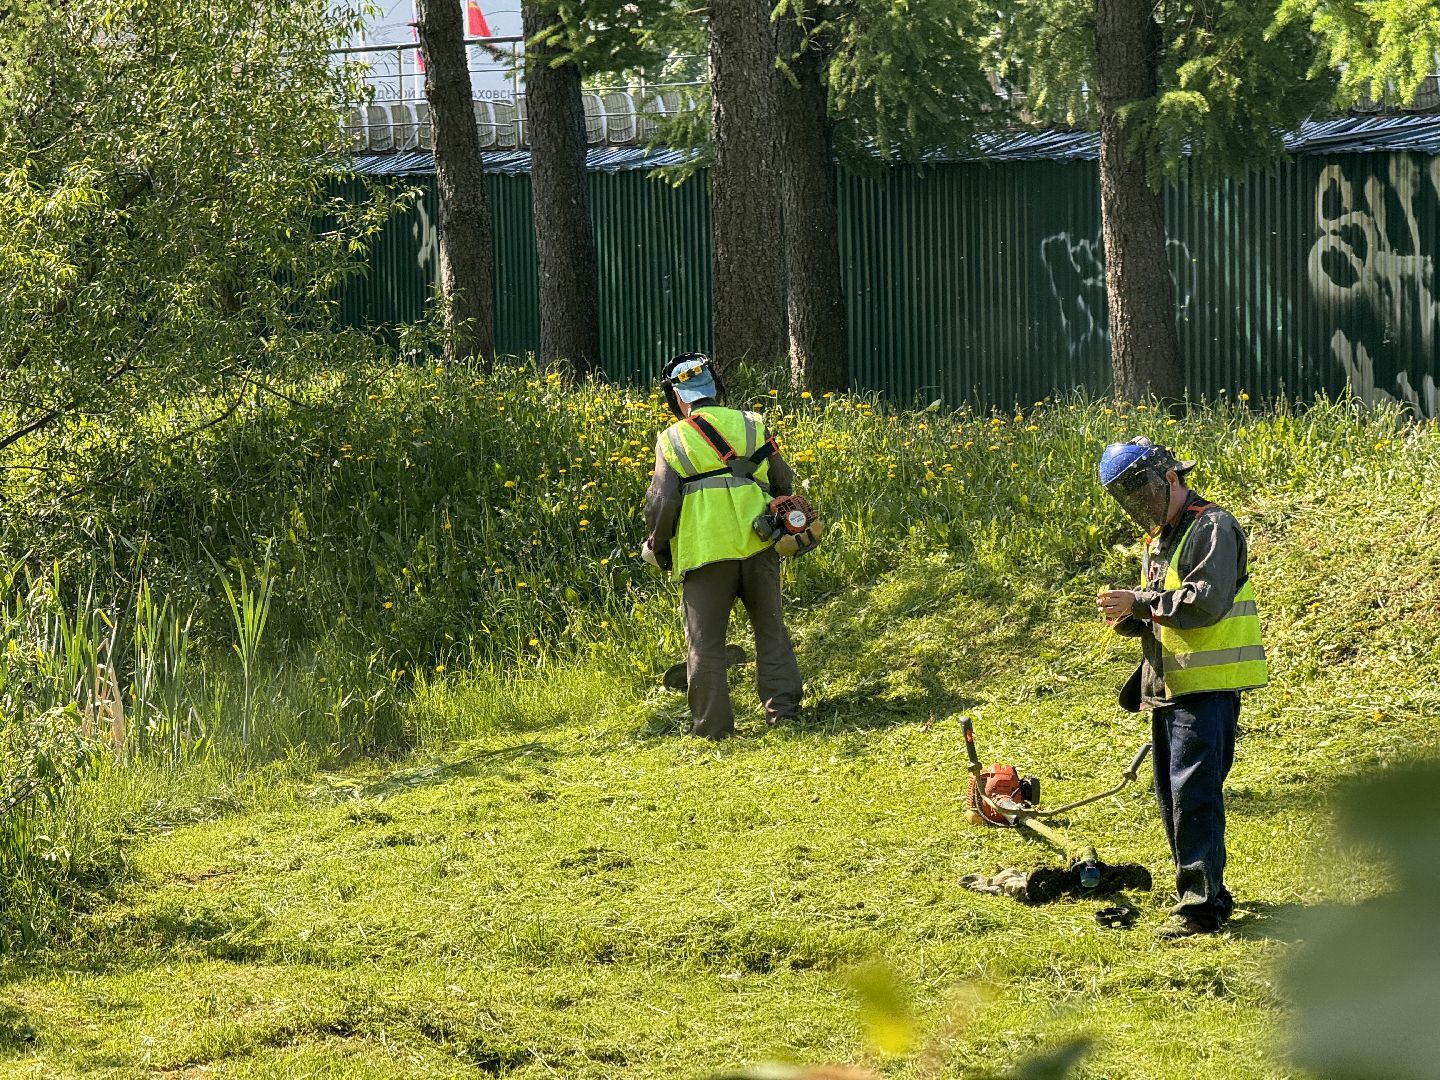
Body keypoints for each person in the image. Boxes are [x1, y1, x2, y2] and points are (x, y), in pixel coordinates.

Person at [1095, 437, 1268, 939]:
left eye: (1141, 490)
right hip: (1168, 686)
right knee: (1172, 798)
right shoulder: (1160, 536)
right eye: (1126, 497)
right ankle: (1202, 893)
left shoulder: (1213, 526)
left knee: (1194, 796)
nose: (1138, 505)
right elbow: (1160, 607)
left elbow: (1203, 603)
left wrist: (1141, 602)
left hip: (1207, 688)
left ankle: (1201, 909)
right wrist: (1128, 612)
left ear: (1170, 477)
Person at [643, 353, 803, 739]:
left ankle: (712, 729)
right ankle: (784, 714)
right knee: (771, 631)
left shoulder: (673, 438)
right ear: (715, 388)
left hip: (705, 552)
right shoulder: (752, 424)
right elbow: (783, 479)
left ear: (679, 399)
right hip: (759, 542)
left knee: (705, 645)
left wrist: (657, 546)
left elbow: (662, 503)